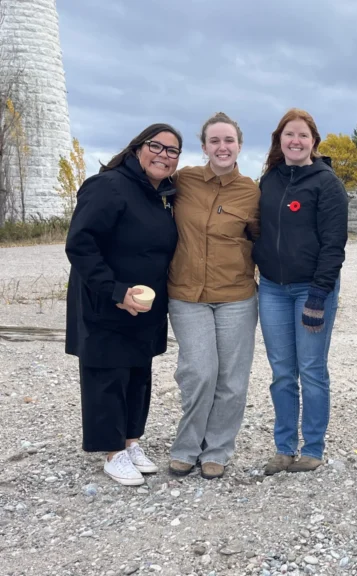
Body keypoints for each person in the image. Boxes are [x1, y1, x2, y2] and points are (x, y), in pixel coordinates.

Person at [65, 124, 182, 486]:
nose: (163, 155)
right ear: (137, 148)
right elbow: (81, 244)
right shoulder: (108, 185)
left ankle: (131, 442)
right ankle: (112, 452)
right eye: (156, 146)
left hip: (145, 303)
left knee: (137, 373)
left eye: (172, 151)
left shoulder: (160, 194)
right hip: (108, 298)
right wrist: (116, 291)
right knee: (107, 373)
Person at [252, 108, 348, 475]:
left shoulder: (327, 183)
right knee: (281, 371)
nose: (295, 141)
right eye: (288, 135)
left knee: (311, 369)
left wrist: (318, 296)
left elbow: (333, 245)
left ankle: (312, 447)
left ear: (313, 142)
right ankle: (283, 447)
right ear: (279, 140)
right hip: (273, 289)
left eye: (302, 135)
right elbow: (259, 228)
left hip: (311, 289)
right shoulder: (270, 180)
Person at [166, 112, 260, 480]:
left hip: (236, 295)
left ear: (239, 146)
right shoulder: (183, 181)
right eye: (215, 141)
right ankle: (187, 447)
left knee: (232, 380)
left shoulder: (252, 191)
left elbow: (261, 239)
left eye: (229, 141)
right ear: (204, 146)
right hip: (187, 295)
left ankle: (217, 449)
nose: (223, 147)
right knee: (199, 373)